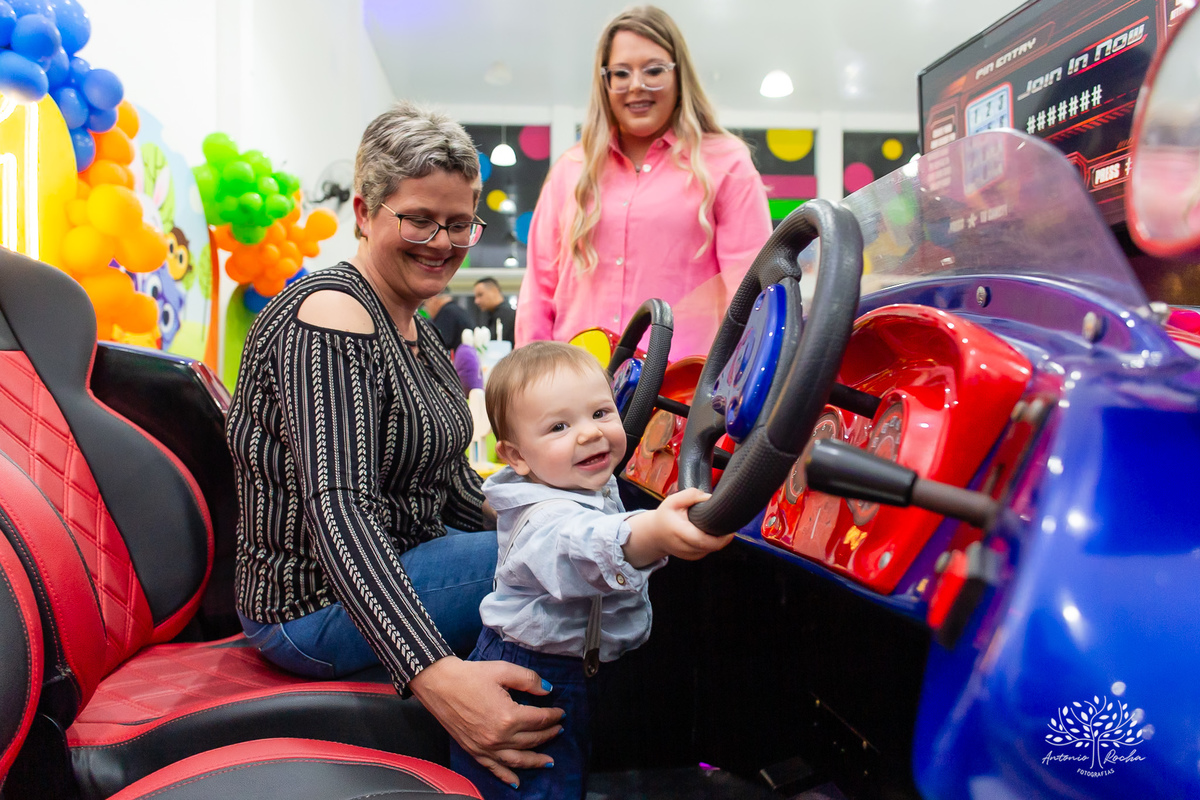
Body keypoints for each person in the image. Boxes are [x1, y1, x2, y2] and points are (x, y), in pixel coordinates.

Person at [226, 100, 562, 788]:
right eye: (419, 219)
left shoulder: (413, 327)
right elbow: (339, 511)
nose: (442, 242)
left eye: (459, 223)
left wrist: (563, 510)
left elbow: (455, 491)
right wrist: (438, 678)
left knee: (572, 536)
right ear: (364, 211)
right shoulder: (331, 313)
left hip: (393, 565)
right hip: (308, 608)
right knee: (565, 560)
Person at [449, 341, 734, 797]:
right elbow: (582, 549)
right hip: (536, 680)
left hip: (573, 670)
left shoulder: (584, 483)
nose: (589, 434)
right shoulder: (541, 516)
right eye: (559, 426)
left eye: (601, 413)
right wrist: (654, 533)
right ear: (517, 457)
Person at [515, 5, 771, 359]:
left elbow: (750, 292)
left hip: (681, 393)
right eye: (621, 73)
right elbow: (539, 291)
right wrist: (530, 383)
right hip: (577, 394)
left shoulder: (727, 163)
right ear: (605, 82)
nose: (637, 86)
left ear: (679, 76)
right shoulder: (570, 170)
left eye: (654, 70)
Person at [474, 277, 516, 345]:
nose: (476, 301)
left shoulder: (509, 316)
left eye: (480, 295)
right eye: (475, 297)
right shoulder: (487, 316)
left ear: (494, 291)